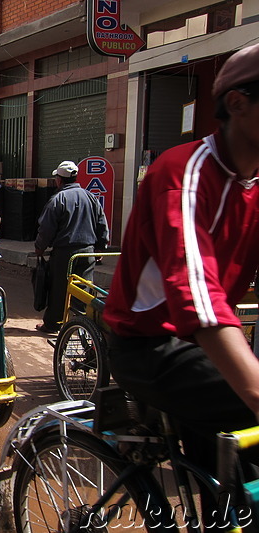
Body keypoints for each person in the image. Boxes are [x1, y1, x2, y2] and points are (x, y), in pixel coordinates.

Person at [102, 44, 259, 507]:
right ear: (237, 103)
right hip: (149, 346)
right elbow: (196, 294)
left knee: (231, 489)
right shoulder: (183, 172)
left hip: (203, 345)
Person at [34, 161, 109, 334]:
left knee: (58, 289)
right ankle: (81, 325)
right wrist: (100, 248)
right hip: (87, 252)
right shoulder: (91, 197)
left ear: (59, 180)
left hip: (65, 253)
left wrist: (39, 247)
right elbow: (102, 224)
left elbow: (46, 228)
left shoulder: (58, 199)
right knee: (83, 289)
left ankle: (53, 324)